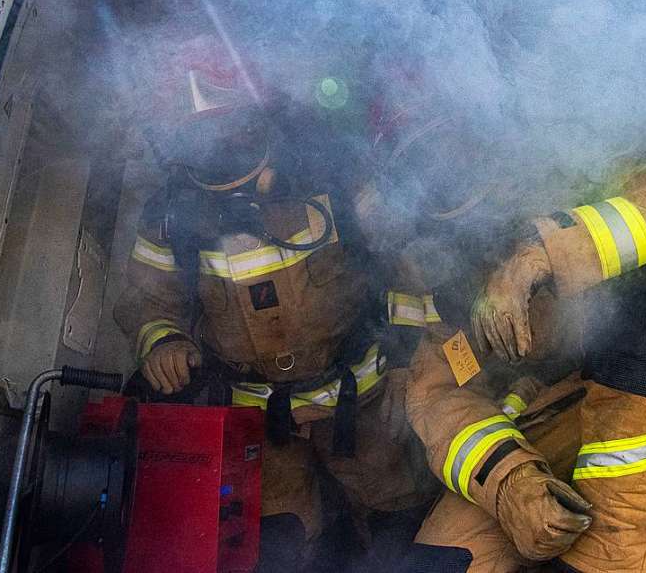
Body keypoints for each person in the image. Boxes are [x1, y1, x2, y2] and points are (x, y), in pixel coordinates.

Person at [361, 112, 646, 573]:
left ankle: (613, 560)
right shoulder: (446, 272)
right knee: (438, 561)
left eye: (449, 143)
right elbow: (441, 398)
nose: (444, 168)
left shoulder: (581, 163)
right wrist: (513, 486)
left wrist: (540, 253)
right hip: (562, 418)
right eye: (419, 166)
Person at [113, 36, 434, 569]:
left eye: (227, 129)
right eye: (199, 137)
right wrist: (163, 341)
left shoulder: (333, 179)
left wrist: (413, 369)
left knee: (399, 525)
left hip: (369, 405)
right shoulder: (170, 218)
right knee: (277, 547)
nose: (216, 145)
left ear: (257, 118)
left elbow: (408, 261)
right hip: (258, 424)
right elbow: (148, 300)